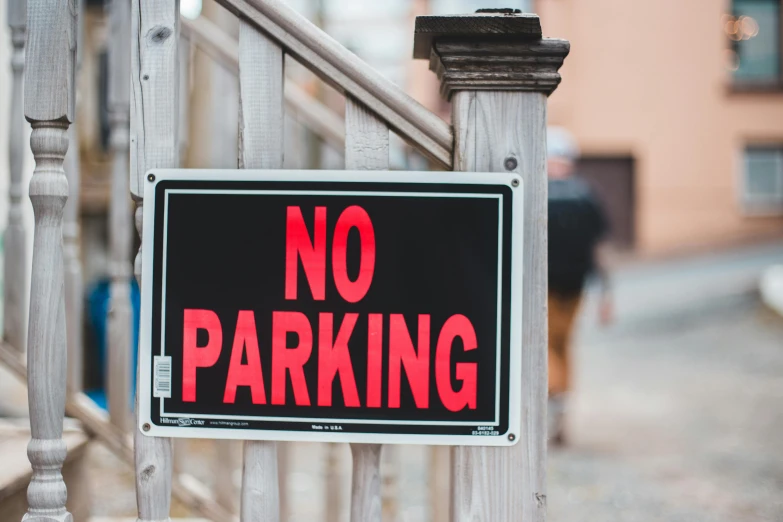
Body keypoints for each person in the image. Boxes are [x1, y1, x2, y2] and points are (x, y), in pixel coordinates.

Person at [546, 126, 613, 445]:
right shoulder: (587, 194)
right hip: (575, 286)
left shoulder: (536, 192)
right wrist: (606, 294)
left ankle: (554, 401)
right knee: (562, 344)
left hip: (545, 288)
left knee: (547, 345)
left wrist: (606, 295)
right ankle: (560, 406)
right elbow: (600, 248)